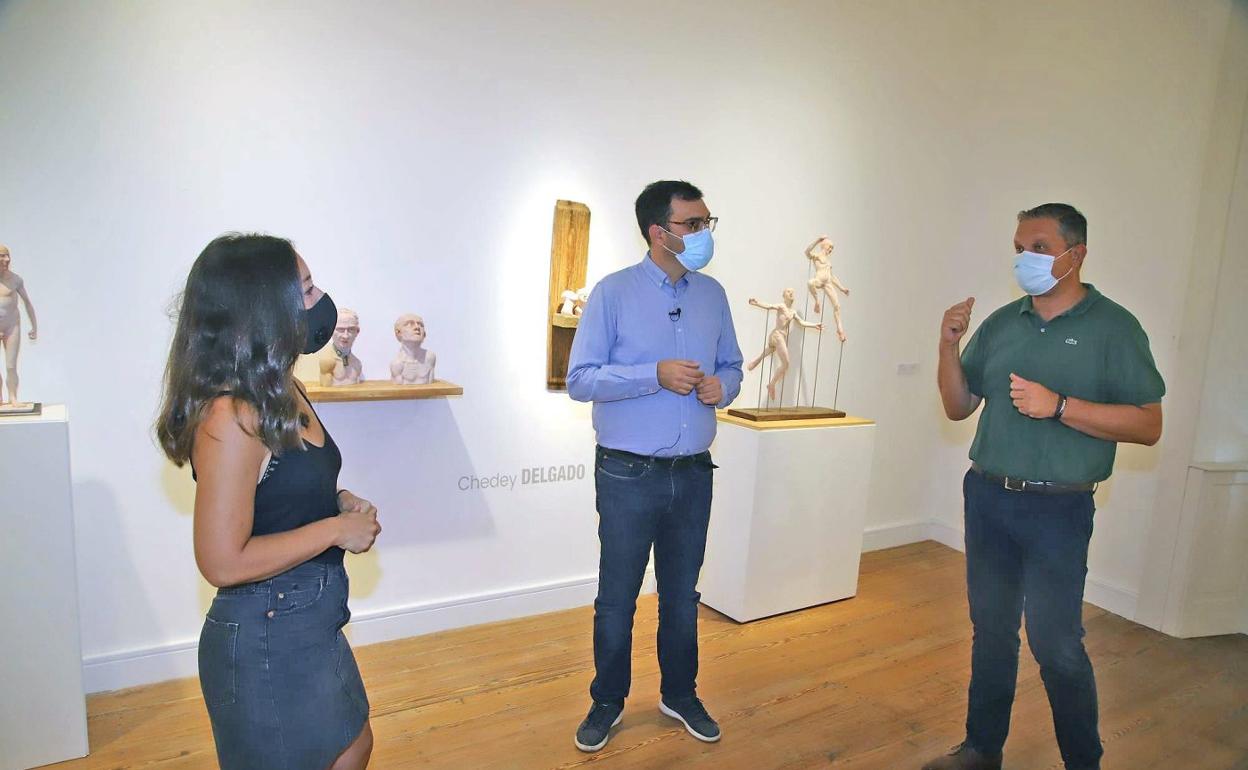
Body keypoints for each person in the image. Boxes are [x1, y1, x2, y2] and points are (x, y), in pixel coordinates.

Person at [926, 204, 1164, 770]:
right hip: (988, 497)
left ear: (1075, 255)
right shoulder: (1002, 323)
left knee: (1055, 644)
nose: (1024, 258)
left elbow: (1148, 425)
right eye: (1018, 247)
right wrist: (948, 346)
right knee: (991, 632)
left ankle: (1083, 761)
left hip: (1059, 509)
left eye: (1038, 247)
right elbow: (958, 406)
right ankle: (981, 749)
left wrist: (1059, 406)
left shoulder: (1114, 328)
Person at [156, 234, 381, 769]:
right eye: (306, 289)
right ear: (263, 308)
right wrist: (334, 530)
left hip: (308, 616)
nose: (320, 300)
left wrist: (338, 501)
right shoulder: (230, 416)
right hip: (266, 630)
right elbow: (221, 560)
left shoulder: (282, 385)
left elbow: (278, 491)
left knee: (353, 745)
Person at [567, 180, 744, 753]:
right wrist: (653, 374)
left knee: (682, 596)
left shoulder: (713, 295)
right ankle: (607, 700)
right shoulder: (613, 293)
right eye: (693, 224)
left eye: (707, 222)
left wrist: (724, 387)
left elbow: (733, 365)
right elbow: (580, 379)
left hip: (693, 472)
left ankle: (680, 694)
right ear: (658, 232)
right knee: (617, 596)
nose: (703, 233)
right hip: (627, 474)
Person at [0, 243, 39, 407]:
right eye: (2, 256)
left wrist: (34, 326)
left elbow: (27, 303)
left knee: (11, 366)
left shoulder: (15, 280)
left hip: (12, 326)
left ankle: (13, 397)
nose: (7, 259)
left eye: (7, 256)